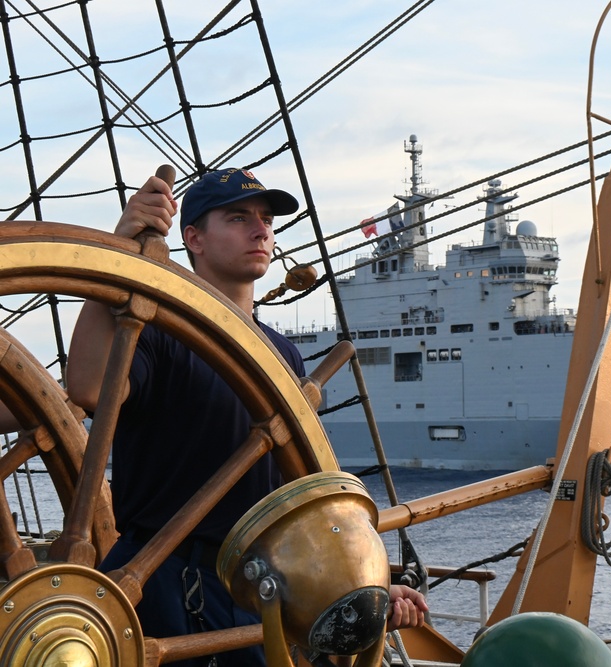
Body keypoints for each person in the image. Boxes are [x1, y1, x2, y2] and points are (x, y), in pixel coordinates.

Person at [66, 168, 427, 666]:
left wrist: (376, 584)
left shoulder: (284, 356)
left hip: (259, 591)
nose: (261, 230)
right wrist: (119, 258)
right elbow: (87, 388)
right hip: (162, 586)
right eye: (239, 218)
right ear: (192, 238)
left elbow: (303, 496)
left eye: (266, 220)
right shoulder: (152, 330)